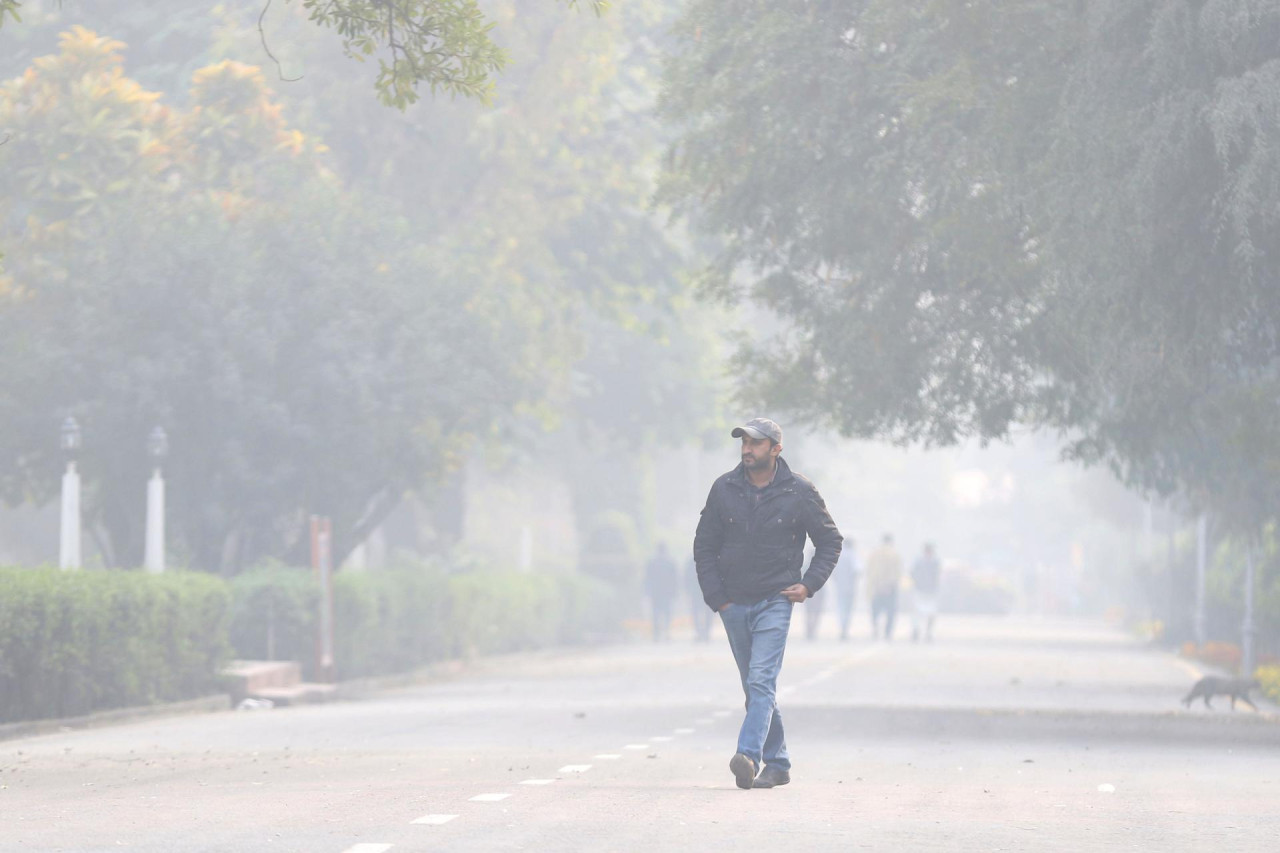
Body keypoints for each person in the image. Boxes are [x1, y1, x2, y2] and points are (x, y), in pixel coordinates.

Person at [693, 417, 842, 790]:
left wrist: (808, 585)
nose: (747, 449)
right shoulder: (723, 489)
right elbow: (704, 546)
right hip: (733, 603)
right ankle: (779, 763)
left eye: (756, 444)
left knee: (761, 680)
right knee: (754, 687)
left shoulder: (799, 491)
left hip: (776, 599)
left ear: (776, 449)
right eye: (744, 442)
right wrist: (717, 598)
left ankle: (748, 756)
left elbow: (830, 541)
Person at [865, 533, 903, 641]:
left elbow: (869, 571)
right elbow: (897, 573)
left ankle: (875, 627)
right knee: (890, 612)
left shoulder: (874, 553)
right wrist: (888, 585)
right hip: (890, 588)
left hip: (875, 587)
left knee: (875, 610)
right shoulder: (895, 554)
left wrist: (876, 585)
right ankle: (887, 632)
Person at [644, 543, 678, 642]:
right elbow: (674, 580)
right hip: (667, 593)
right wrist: (675, 593)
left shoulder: (651, 563)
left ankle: (656, 634)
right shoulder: (670, 563)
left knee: (655, 613)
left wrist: (647, 592)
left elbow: (647, 579)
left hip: (655, 593)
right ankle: (666, 632)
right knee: (667, 613)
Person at [911, 542, 942, 643]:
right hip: (920, 590)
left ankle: (928, 631)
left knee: (931, 613)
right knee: (917, 612)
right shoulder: (919, 561)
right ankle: (916, 630)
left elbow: (937, 576)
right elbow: (913, 574)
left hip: (930, 591)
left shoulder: (935, 562)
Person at [834, 537, 860, 641]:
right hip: (850, 588)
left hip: (840, 587)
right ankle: (845, 628)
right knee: (848, 609)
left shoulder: (839, 555)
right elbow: (857, 570)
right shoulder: (853, 555)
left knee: (841, 607)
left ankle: (842, 627)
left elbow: (833, 572)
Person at [685, 554, 711, 642]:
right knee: (707, 613)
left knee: (696, 613)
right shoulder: (708, 560)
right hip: (707, 590)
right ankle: (706, 632)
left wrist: (687, 591)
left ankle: (699, 632)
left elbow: (686, 578)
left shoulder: (690, 563)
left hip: (695, 593)